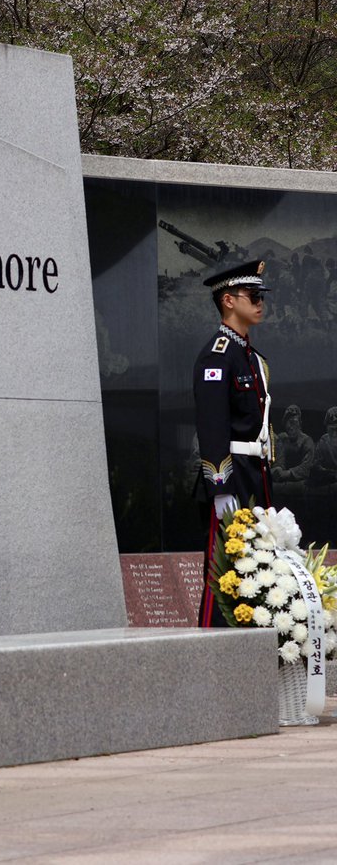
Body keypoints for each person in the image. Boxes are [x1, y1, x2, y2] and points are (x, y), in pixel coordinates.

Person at [194, 260, 273, 628]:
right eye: (252, 296)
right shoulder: (218, 354)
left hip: (256, 473)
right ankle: (214, 640)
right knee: (227, 563)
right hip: (233, 476)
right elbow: (212, 426)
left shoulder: (250, 356)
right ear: (228, 300)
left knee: (255, 565)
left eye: (261, 296)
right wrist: (220, 487)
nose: (260, 303)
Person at [272, 404, 314, 492]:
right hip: (283, 482)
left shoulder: (306, 441)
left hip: (300, 483)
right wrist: (278, 468)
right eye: (287, 423)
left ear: (299, 424)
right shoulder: (283, 439)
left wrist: (288, 473)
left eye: (293, 422)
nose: (290, 427)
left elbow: (306, 467)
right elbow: (280, 460)